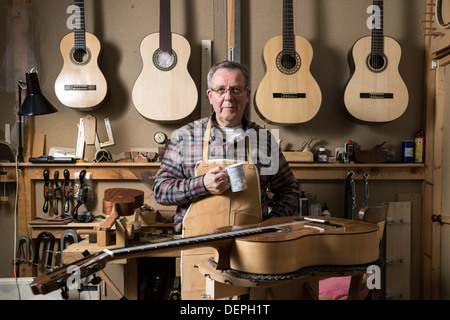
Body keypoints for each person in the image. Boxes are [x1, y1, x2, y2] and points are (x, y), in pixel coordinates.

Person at [153, 60, 300, 234]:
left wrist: (270, 225)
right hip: (196, 242)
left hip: (252, 245)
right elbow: (161, 191)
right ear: (210, 95)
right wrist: (201, 184)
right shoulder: (185, 136)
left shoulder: (264, 139)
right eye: (221, 90)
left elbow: (289, 190)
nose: (228, 97)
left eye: (236, 89)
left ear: (247, 94)